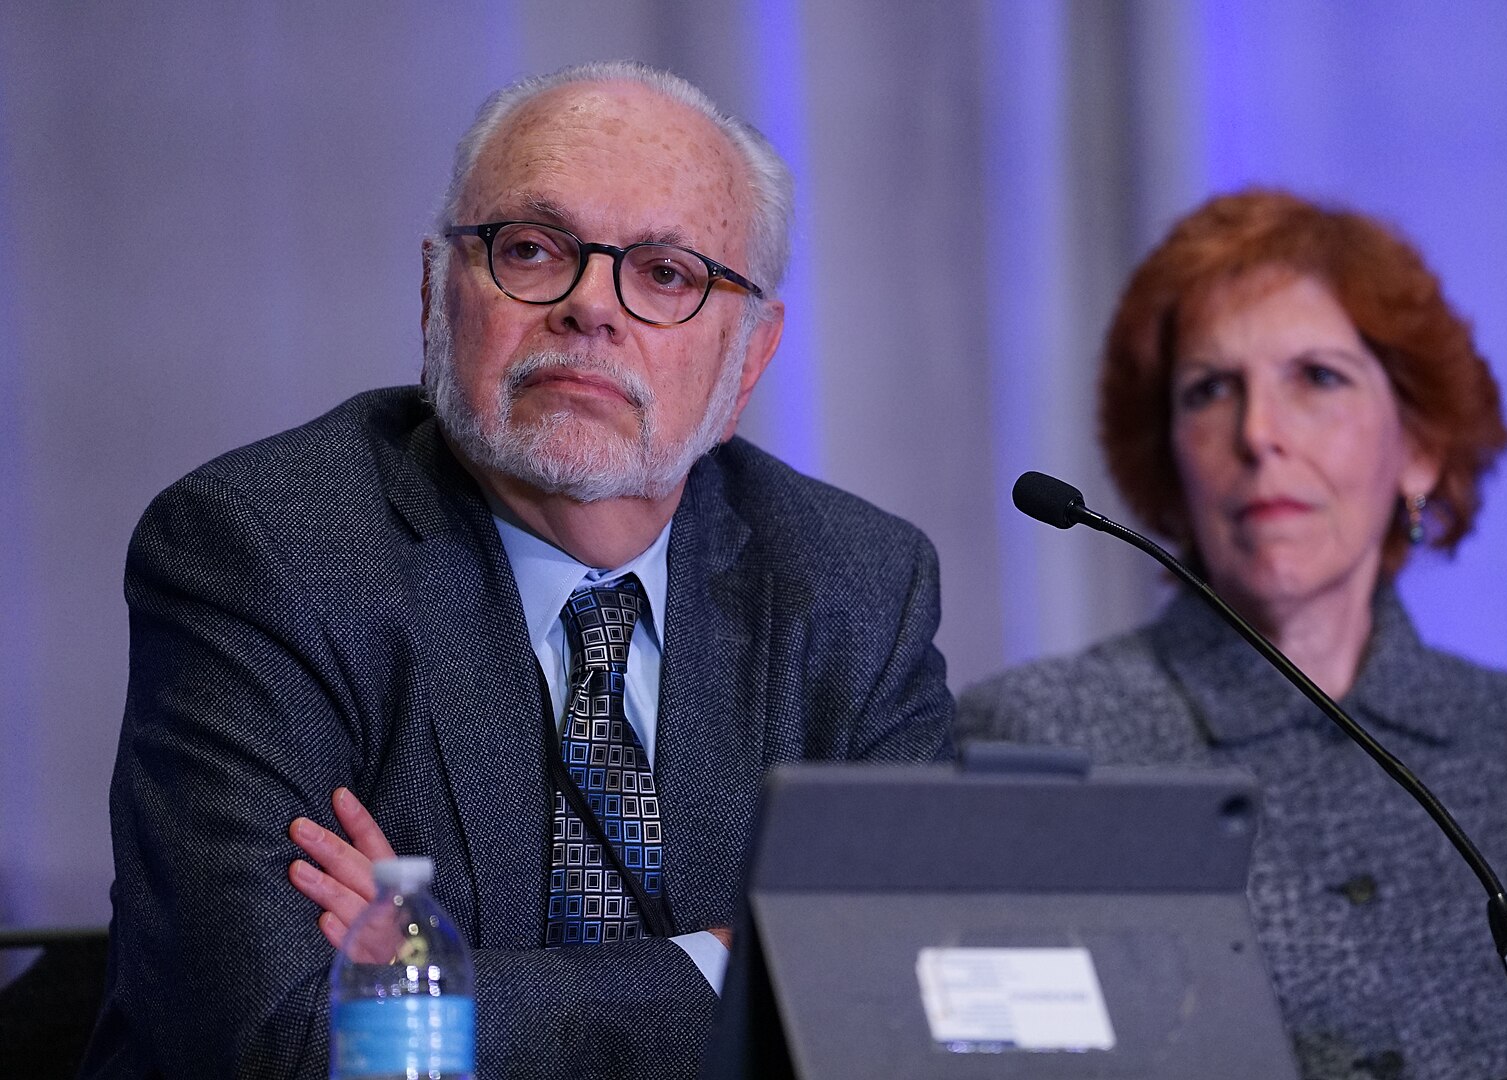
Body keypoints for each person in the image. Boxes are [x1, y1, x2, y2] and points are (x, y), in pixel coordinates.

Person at [84, 62, 951, 1080]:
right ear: (435, 292)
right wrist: (742, 968)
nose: (591, 307)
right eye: (533, 251)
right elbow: (275, 1039)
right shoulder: (263, 553)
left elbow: (917, 993)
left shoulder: (856, 585)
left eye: (665, 272)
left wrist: (433, 982)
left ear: (750, 356)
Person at [957, 189, 1507, 1080]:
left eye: (1318, 378)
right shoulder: (1030, 736)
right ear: (1170, 457)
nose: (1259, 434)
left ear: (1417, 446)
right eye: (1211, 390)